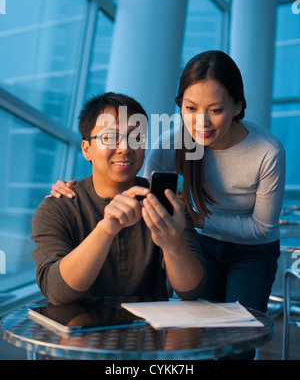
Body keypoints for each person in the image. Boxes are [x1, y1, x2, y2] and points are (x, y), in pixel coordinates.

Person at [51, 51, 285, 317]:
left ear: (238, 107)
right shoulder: (172, 144)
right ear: (180, 105)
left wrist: (198, 220)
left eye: (216, 110)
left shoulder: (267, 152)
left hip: (251, 251)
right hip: (203, 243)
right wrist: (76, 187)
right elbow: (139, 189)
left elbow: (263, 229)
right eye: (191, 108)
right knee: (202, 327)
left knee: (241, 335)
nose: (201, 122)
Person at [31, 92, 205, 306]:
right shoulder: (57, 208)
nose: (125, 148)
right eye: (111, 137)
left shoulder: (166, 204)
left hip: (146, 332)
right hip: (79, 333)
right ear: (87, 149)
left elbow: (191, 290)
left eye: (136, 138)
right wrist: (105, 230)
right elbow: (56, 292)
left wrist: (173, 245)